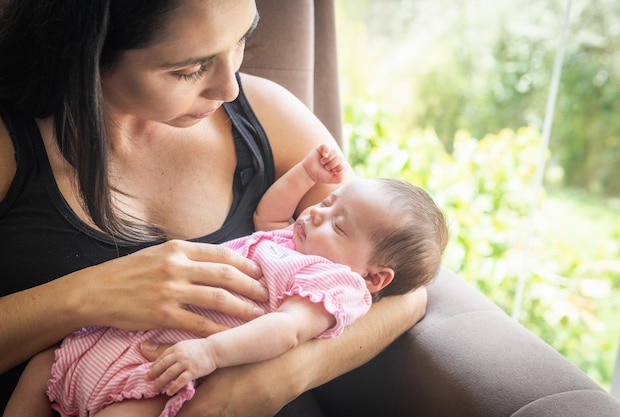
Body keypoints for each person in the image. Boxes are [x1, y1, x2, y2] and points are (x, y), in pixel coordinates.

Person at [0, 1, 429, 416]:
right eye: (189, 69)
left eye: (243, 38)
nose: (230, 88)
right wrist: (86, 296)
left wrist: (278, 377)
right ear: (86, 52)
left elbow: (404, 294)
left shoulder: (268, 113)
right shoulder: (10, 150)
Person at [3, 144, 448, 417]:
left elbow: (286, 331)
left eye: (339, 224)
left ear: (373, 277)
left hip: (169, 367)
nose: (316, 212)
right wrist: (305, 177)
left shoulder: (335, 285)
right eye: (329, 201)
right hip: (122, 339)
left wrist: (209, 352)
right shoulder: (294, 241)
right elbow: (268, 215)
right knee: (42, 367)